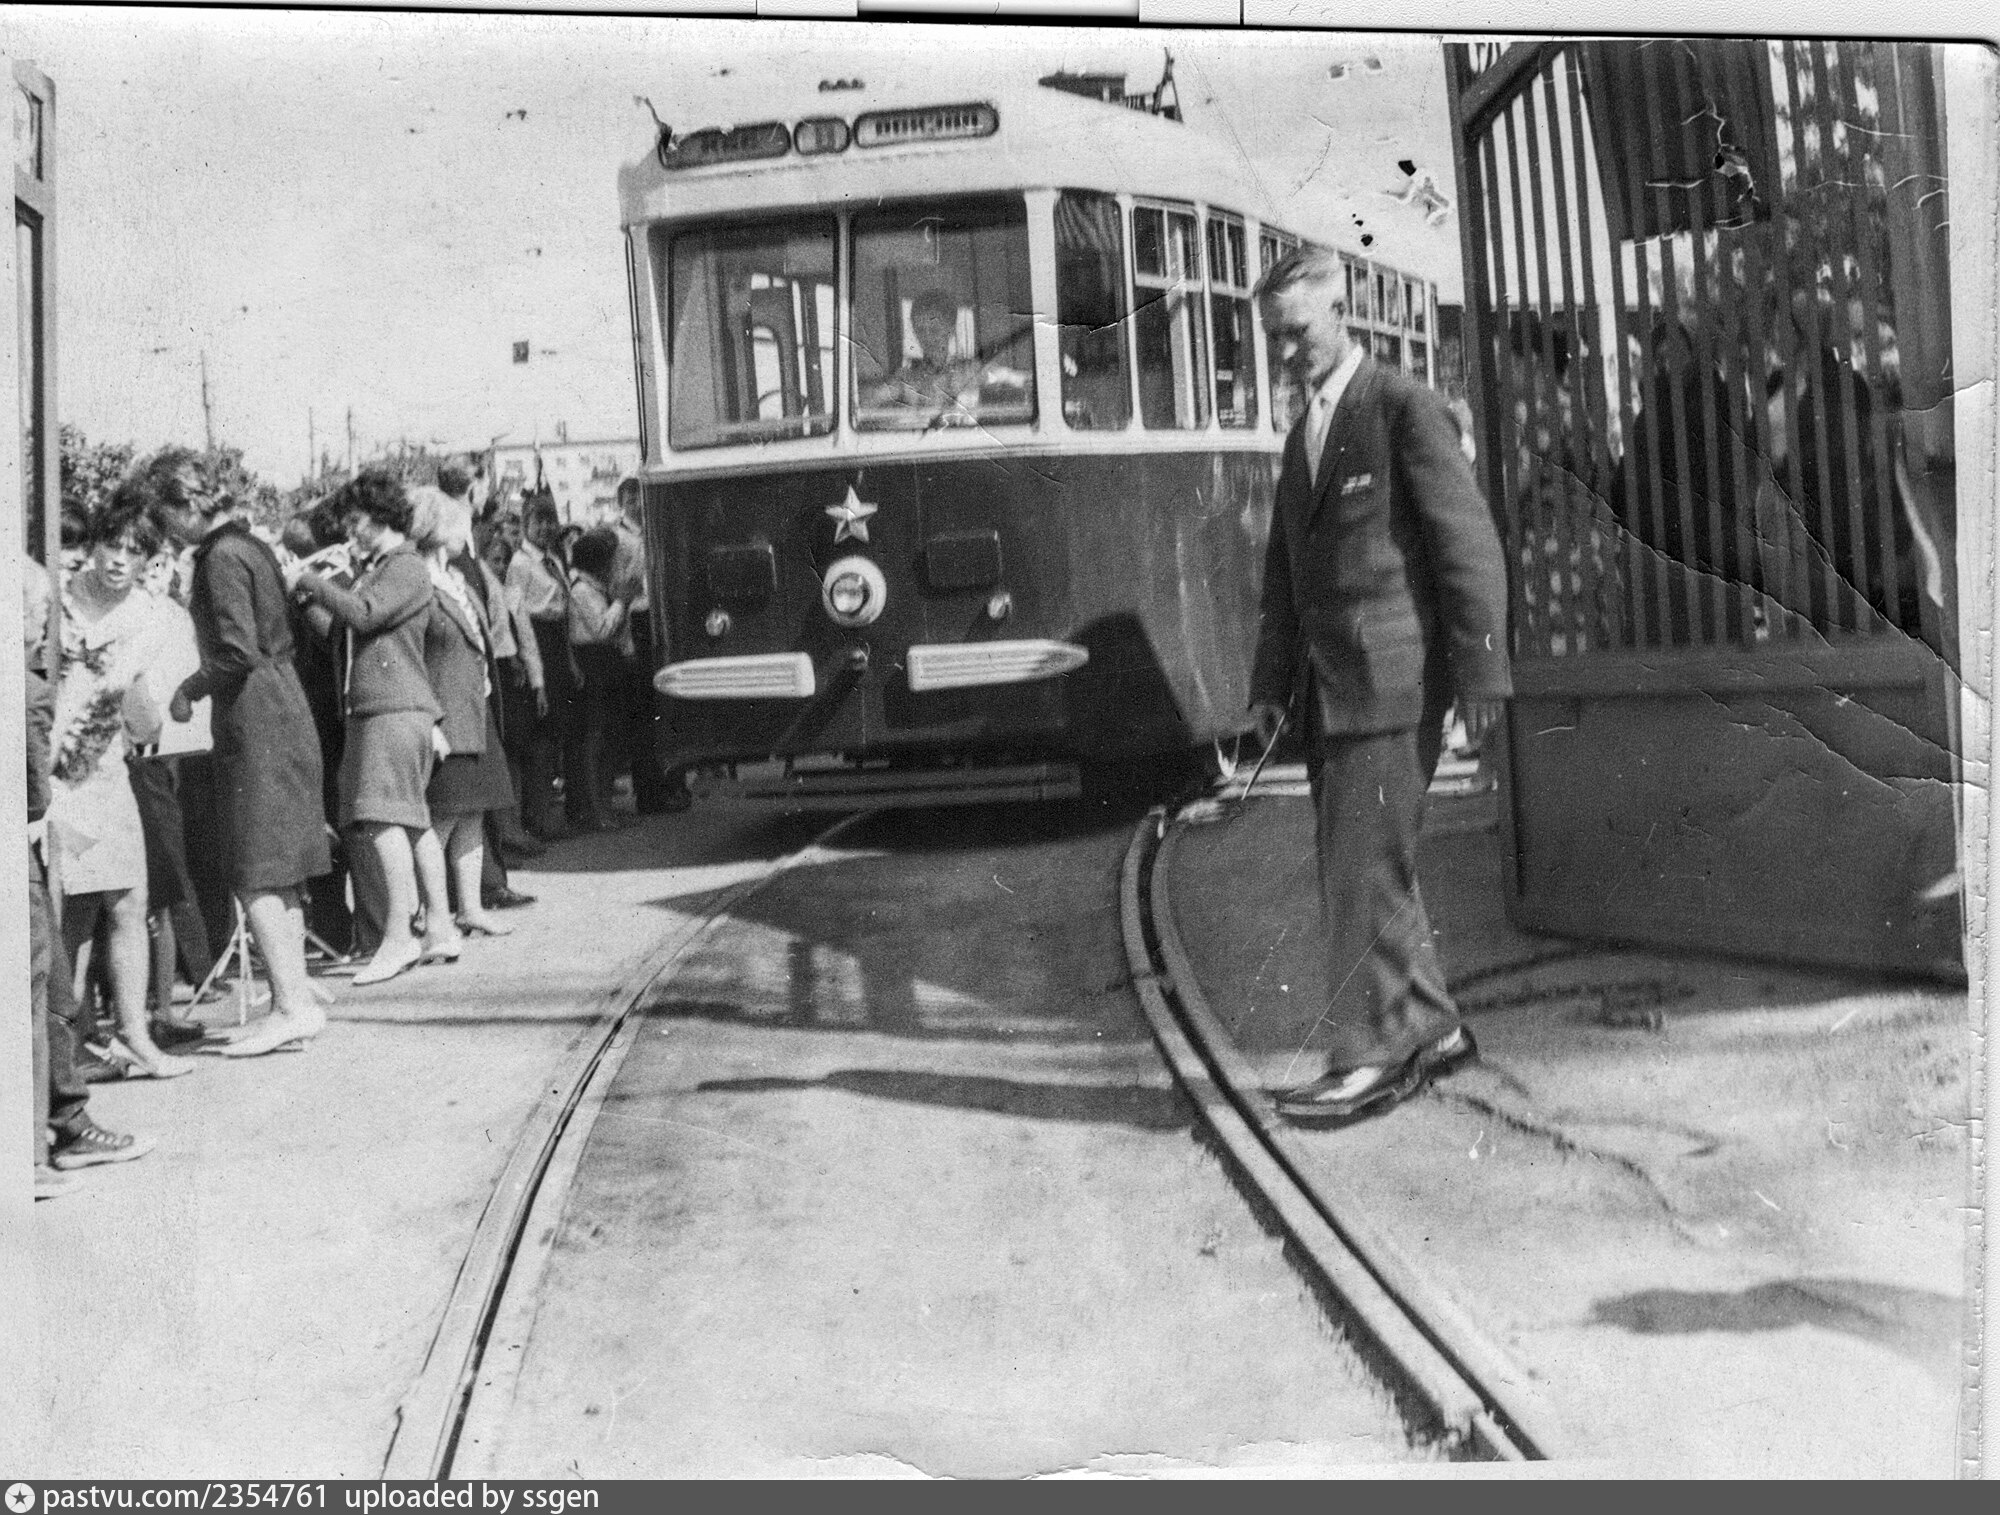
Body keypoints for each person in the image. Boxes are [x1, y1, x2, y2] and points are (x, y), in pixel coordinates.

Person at [1246, 247, 1513, 1126]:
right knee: (1370, 866)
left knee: (1359, 872)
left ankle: (1366, 1057)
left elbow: (1467, 545)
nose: (1286, 352)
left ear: (1339, 313)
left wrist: (1482, 669)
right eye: (1274, 338)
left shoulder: (1402, 406)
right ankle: (1433, 1031)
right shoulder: (1306, 432)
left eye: (1297, 332)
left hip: (1394, 683)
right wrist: (1269, 684)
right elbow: (1286, 577)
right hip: (1331, 691)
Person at [156, 454, 334, 1057]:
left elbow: (236, 651)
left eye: (168, 516)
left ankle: (290, 1006)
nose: (167, 530)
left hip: (254, 717)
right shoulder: (251, 545)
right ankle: (296, 1000)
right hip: (284, 703)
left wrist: (186, 690)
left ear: (187, 505)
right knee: (281, 870)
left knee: (254, 868)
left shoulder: (219, 559)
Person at [289, 469, 454, 987]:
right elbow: (345, 634)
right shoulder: (383, 568)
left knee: (381, 821)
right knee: (412, 823)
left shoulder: (404, 566)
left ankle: (399, 937)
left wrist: (309, 581)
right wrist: (311, 600)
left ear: (383, 517)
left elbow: (363, 615)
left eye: (358, 521)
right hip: (387, 707)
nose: (351, 532)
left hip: (389, 709)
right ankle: (440, 927)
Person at [49, 492, 194, 1078]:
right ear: (95, 545)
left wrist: (140, 702)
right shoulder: (57, 600)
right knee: (69, 913)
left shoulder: (150, 617)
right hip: (51, 775)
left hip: (106, 771)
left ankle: (134, 1035)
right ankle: (65, 1047)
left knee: (129, 900)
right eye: (112, 544)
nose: (119, 560)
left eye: (135, 551)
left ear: (149, 559)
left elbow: (143, 718)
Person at [27, 559, 153, 1192]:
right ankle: (47, 1128)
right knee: (50, 953)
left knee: (109, 914)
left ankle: (73, 1106)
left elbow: (145, 722)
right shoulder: (35, 678)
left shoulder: (125, 632)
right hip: (54, 803)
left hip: (95, 782)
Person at [412, 489, 518, 937]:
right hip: (446, 714)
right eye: (458, 524)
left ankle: (470, 908)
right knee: (444, 817)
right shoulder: (419, 580)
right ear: (436, 528)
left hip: (474, 709)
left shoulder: (454, 576)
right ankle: (426, 912)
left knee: (473, 813)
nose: (466, 532)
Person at [609, 478, 686, 814]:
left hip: (660, 615)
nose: (638, 505)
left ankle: (674, 784)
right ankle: (649, 792)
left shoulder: (656, 529)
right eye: (630, 500)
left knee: (667, 704)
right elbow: (618, 584)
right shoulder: (618, 537)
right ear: (621, 504)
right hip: (636, 619)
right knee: (644, 711)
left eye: (640, 498)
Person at [505, 498, 579, 839]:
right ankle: (538, 818)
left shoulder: (553, 560)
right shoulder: (520, 564)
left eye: (551, 521)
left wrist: (570, 659)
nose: (546, 528)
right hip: (536, 641)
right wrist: (530, 664)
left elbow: (564, 609)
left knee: (556, 734)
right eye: (539, 522)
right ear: (526, 525)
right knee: (541, 736)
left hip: (557, 641)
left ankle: (547, 813)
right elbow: (517, 615)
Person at [865, 289, 1026, 417]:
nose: (927, 338)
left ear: (950, 329)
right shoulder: (907, 377)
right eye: (920, 330)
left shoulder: (971, 370)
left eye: (934, 330)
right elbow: (873, 400)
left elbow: (1013, 378)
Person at [566, 527, 629, 832]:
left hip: (604, 661)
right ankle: (596, 808)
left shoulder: (596, 587)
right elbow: (602, 629)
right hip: (593, 662)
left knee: (608, 735)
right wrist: (621, 602)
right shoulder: (581, 590)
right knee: (596, 736)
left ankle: (604, 804)